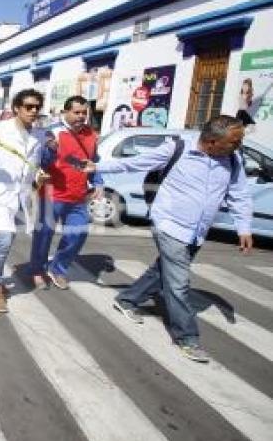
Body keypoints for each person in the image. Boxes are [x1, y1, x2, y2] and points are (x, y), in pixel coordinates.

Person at [83, 115, 252, 362]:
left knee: (163, 270)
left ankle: (127, 300)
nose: (239, 145)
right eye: (235, 141)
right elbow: (138, 163)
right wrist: (98, 167)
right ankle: (187, 338)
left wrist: (244, 227)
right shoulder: (179, 148)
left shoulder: (232, 159)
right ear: (213, 141)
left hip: (197, 230)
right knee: (178, 283)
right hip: (169, 224)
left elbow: (240, 194)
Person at [0, 89, 48, 313]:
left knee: (11, 238)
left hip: (23, 195)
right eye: (28, 107)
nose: (33, 111)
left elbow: (33, 162)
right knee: (4, 238)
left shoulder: (40, 135)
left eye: (36, 108)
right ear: (16, 108)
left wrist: (39, 174)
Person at [29, 95, 102, 290]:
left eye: (84, 113)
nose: (81, 116)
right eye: (76, 112)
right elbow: (41, 163)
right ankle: (37, 270)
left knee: (78, 233)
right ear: (65, 112)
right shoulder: (51, 133)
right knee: (44, 234)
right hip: (52, 194)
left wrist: (97, 181)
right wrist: (51, 150)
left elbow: (93, 162)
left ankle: (57, 268)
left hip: (78, 196)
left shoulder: (91, 135)